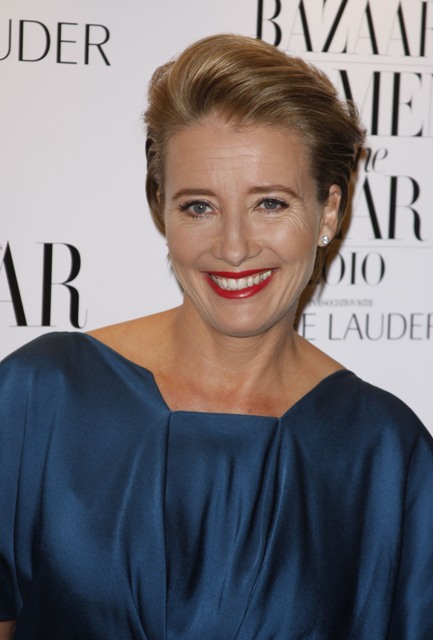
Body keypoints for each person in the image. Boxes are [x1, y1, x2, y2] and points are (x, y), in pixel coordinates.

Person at [1, 33, 432, 640]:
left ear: (329, 210)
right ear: (162, 208)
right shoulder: (40, 395)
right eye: (199, 206)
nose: (233, 248)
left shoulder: (386, 455)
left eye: (270, 204)